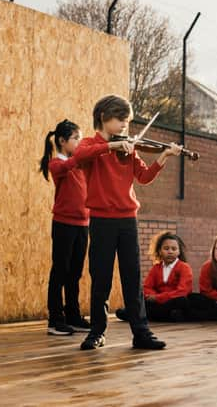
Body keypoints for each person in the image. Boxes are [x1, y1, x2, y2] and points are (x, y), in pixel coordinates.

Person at [73, 94, 181, 350]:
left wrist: (163, 157)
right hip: (101, 220)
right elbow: (79, 157)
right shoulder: (91, 145)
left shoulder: (129, 149)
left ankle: (141, 333)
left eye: (127, 120)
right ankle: (97, 332)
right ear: (103, 117)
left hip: (127, 221)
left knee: (133, 278)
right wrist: (111, 146)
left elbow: (143, 177)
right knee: (101, 278)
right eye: (120, 119)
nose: (125, 125)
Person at [39, 119, 90, 335]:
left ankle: (73, 316)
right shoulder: (57, 164)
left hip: (83, 224)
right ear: (62, 141)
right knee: (60, 271)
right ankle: (55, 320)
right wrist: (83, 153)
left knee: (75, 273)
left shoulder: (78, 164)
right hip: (63, 224)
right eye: (76, 138)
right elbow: (68, 165)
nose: (79, 142)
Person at [116, 231, 192, 322]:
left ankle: (139, 314)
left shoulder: (184, 267)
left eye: (174, 249)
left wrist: (158, 298)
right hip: (157, 303)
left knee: (182, 301)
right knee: (142, 300)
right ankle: (166, 315)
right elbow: (147, 287)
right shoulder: (156, 268)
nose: (170, 252)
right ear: (159, 251)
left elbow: (183, 291)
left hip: (173, 300)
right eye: (166, 248)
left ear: (179, 251)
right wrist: (153, 297)